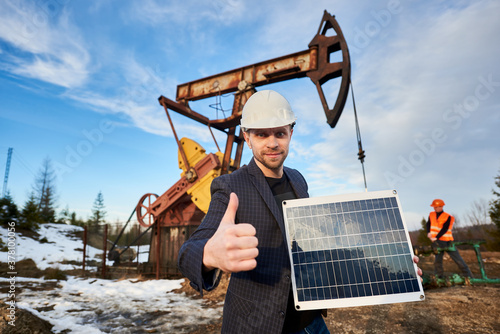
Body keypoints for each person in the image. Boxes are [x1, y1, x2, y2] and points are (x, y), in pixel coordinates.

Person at [178, 90, 422, 334]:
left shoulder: (298, 179)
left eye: (280, 133)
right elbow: (189, 250)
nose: (273, 143)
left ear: (290, 134)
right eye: (262, 134)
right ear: (247, 136)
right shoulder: (230, 186)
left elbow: (313, 243)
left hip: (311, 323)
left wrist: (392, 265)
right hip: (260, 326)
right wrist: (209, 254)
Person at [426, 199, 473, 278]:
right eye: (434, 207)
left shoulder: (448, 217)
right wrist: (428, 232)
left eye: (436, 207)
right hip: (437, 242)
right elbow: (428, 224)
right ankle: (439, 278)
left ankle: (469, 277)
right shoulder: (431, 214)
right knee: (437, 261)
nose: (435, 208)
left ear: (441, 206)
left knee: (458, 260)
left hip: (447, 242)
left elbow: (445, 229)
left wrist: (436, 237)